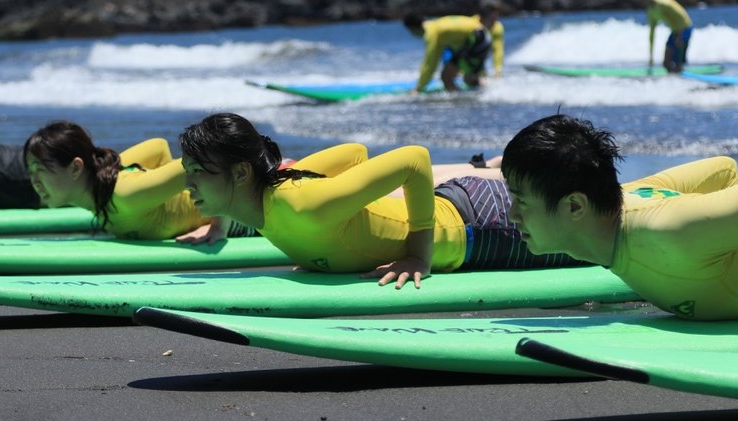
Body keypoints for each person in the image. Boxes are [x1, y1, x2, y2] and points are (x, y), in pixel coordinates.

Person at [178, 112, 580, 289]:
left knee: (598, 231)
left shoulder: (303, 205)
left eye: (198, 171)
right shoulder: (272, 199)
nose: (188, 183)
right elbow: (354, 151)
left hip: (482, 225)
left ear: (242, 173)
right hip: (465, 214)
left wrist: (418, 256)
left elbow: (413, 158)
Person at [502, 114, 738, 321]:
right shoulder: (632, 202)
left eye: (521, 201)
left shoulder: (671, 233)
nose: (512, 215)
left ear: (574, 206)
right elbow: (725, 170)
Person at [23, 120, 241, 242]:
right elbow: (158, 146)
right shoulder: (106, 180)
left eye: (40, 170)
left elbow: (211, 154)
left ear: (76, 167)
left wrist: (219, 225)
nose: (34, 181)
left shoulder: (126, 195)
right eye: (30, 172)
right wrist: (162, 196)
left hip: (247, 216)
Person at [403, 12, 496, 93]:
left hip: (477, 38)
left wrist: (419, 88)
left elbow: (430, 63)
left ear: (413, 29)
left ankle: (464, 100)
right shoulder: (436, 25)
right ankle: (488, 90)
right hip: (480, 37)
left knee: (447, 77)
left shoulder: (431, 32)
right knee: (466, 79)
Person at [635, 0, 693, 73]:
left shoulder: (663, 2)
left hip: (685, 28)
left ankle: (685, 78)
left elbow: (681, 16)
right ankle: (674, 80)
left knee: (678, 62)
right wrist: (651, 57)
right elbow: (652, 34)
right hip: (675, 31)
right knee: (666, 64)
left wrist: (680, 34)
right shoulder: (650, 11)